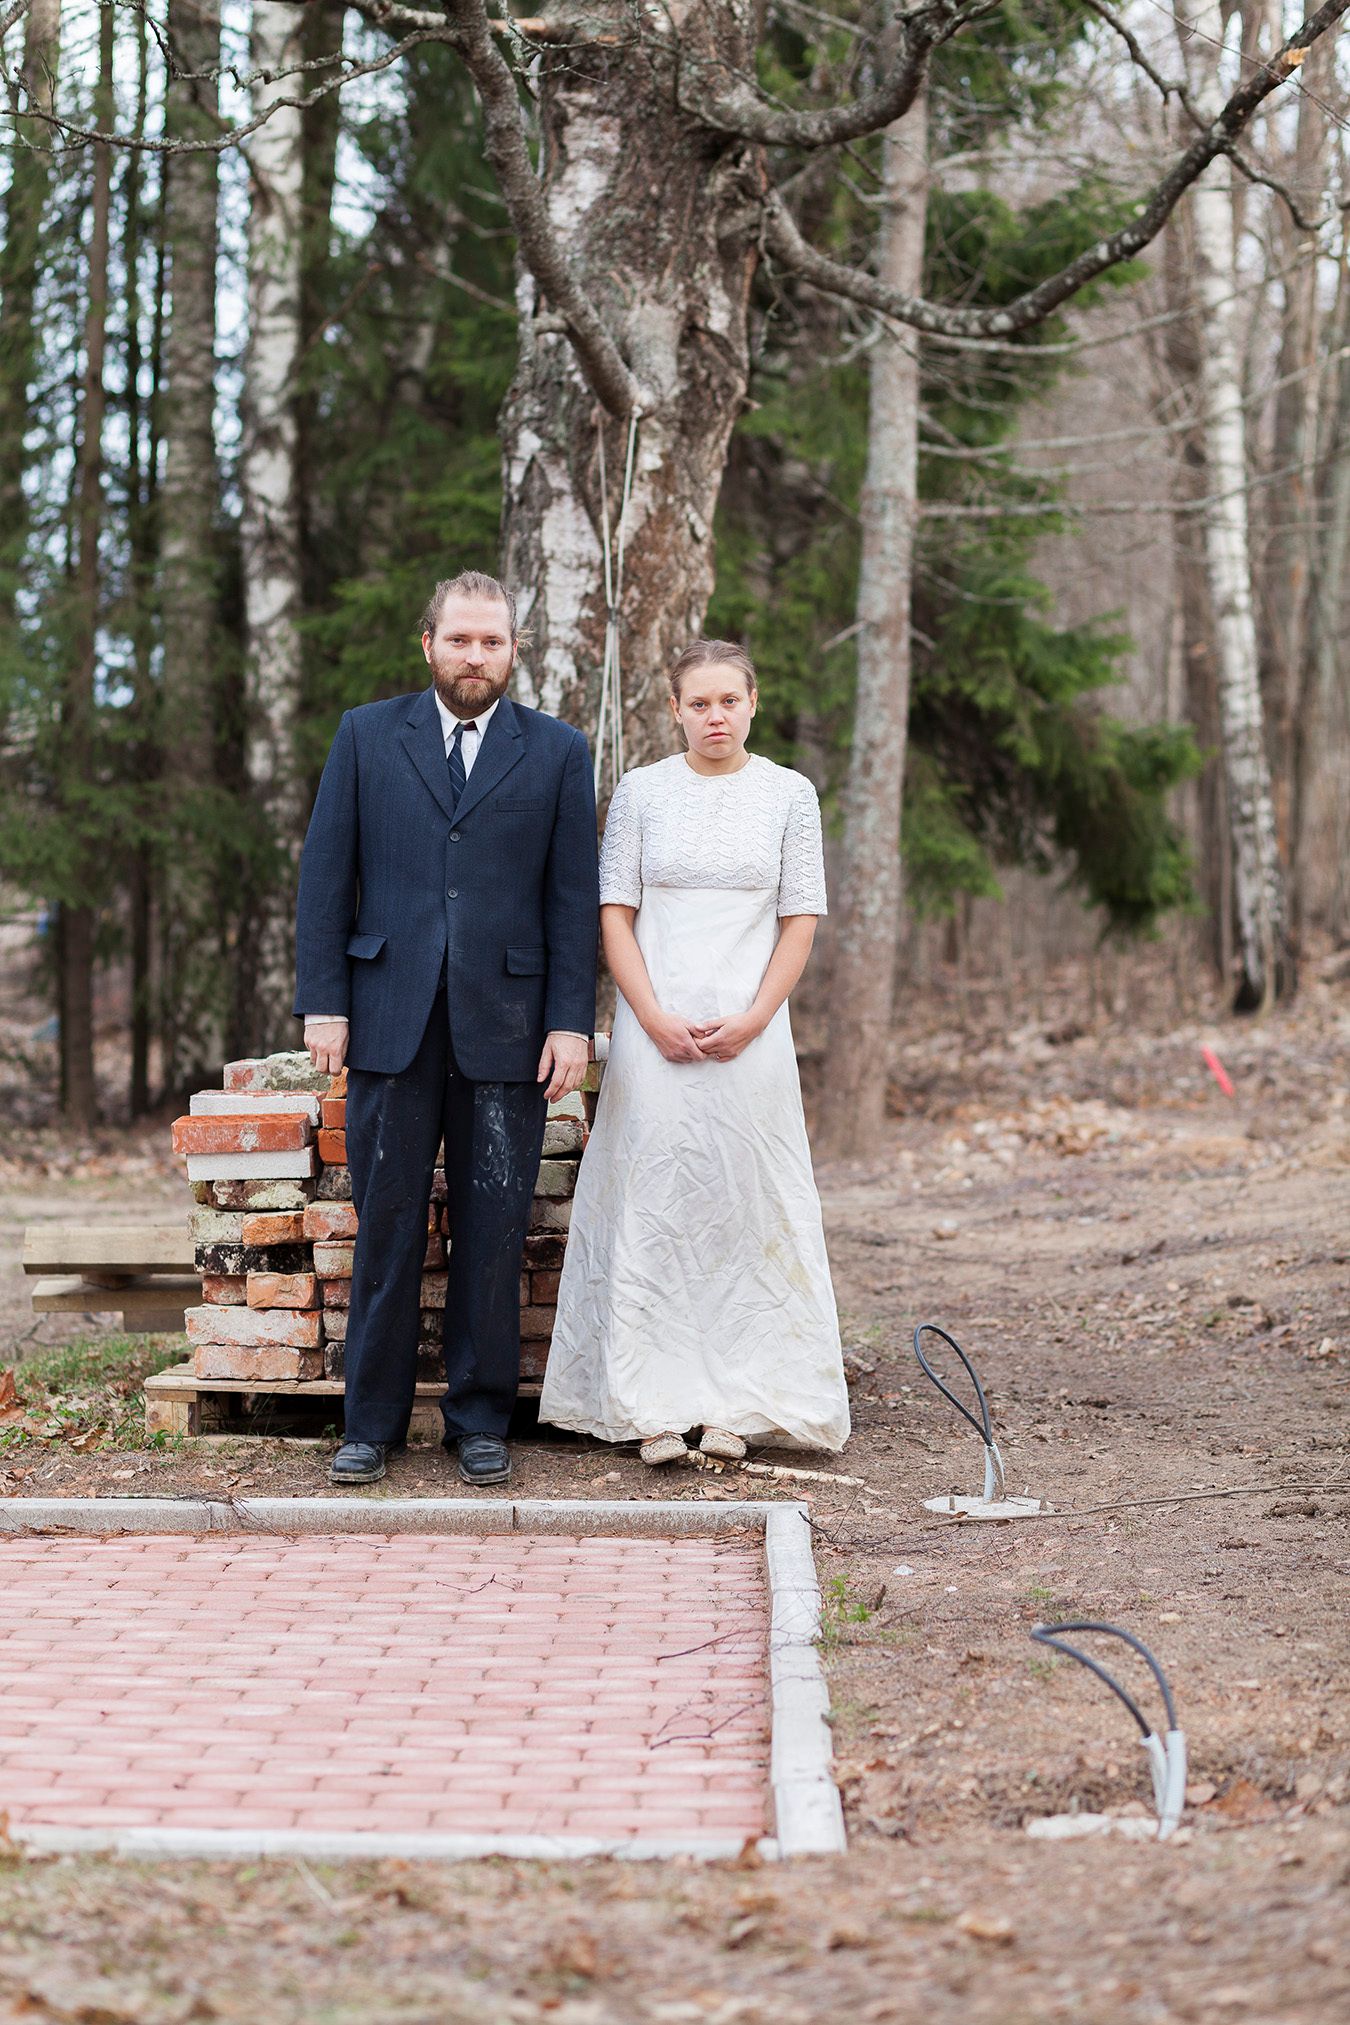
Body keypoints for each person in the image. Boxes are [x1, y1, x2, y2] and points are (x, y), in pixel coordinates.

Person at [295, 571, 599, 1487]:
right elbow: (325, 877)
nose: (477, 656)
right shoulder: (365, 735)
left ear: (514, 650)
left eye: (493, 641)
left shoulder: (554, 751)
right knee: (385, 1220)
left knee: (495, 1224)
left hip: (508, 1024)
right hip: (389, 1017)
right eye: (460, 639)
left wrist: (569, 1023)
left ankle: (478, 1417)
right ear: (427, 643)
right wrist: (326, 1000)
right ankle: (371, 1421)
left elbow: (571, 901)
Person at [539, 640, 850, 1463]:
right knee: (656, 1200)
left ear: (754, 702)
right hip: (657, 1032)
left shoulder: (790, 794)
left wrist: (753, 1017)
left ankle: (739, 1401)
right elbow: (615, 913)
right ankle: (652, 1402)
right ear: (673, 709)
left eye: (730, 701)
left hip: (751, 1036)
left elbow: (800, 919)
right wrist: (648, 1015)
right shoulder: (642, 793)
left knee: (743, 1202)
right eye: (699, 703)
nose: (716, 716)